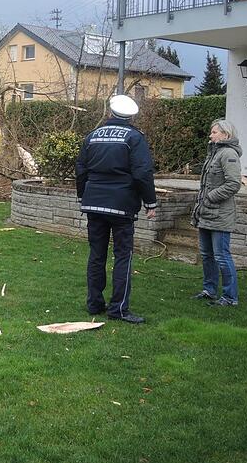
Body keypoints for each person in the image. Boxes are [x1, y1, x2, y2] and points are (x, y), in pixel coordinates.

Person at [75, 94, 157, 324]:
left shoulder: (92, 136)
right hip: (121, 205)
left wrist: (83, 194)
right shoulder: (134, 137)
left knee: (96, 255)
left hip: (93, 203)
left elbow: (81, 168)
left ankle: (94, 304)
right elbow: (142, 172)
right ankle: (118, 308)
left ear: (110, 112)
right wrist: (150, 202)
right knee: (123, 256)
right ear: (131, 116)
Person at [191, 119, 241, 306]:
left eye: (214, 132)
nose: (210, 135)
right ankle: (209, 290)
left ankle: (230, 297)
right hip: (206, 213)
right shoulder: (214, 153)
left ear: (225, 135)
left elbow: (233, 184)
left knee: (221, 256)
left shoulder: (228, 153)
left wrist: (211, 196)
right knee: (207, 255)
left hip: (220, 215)